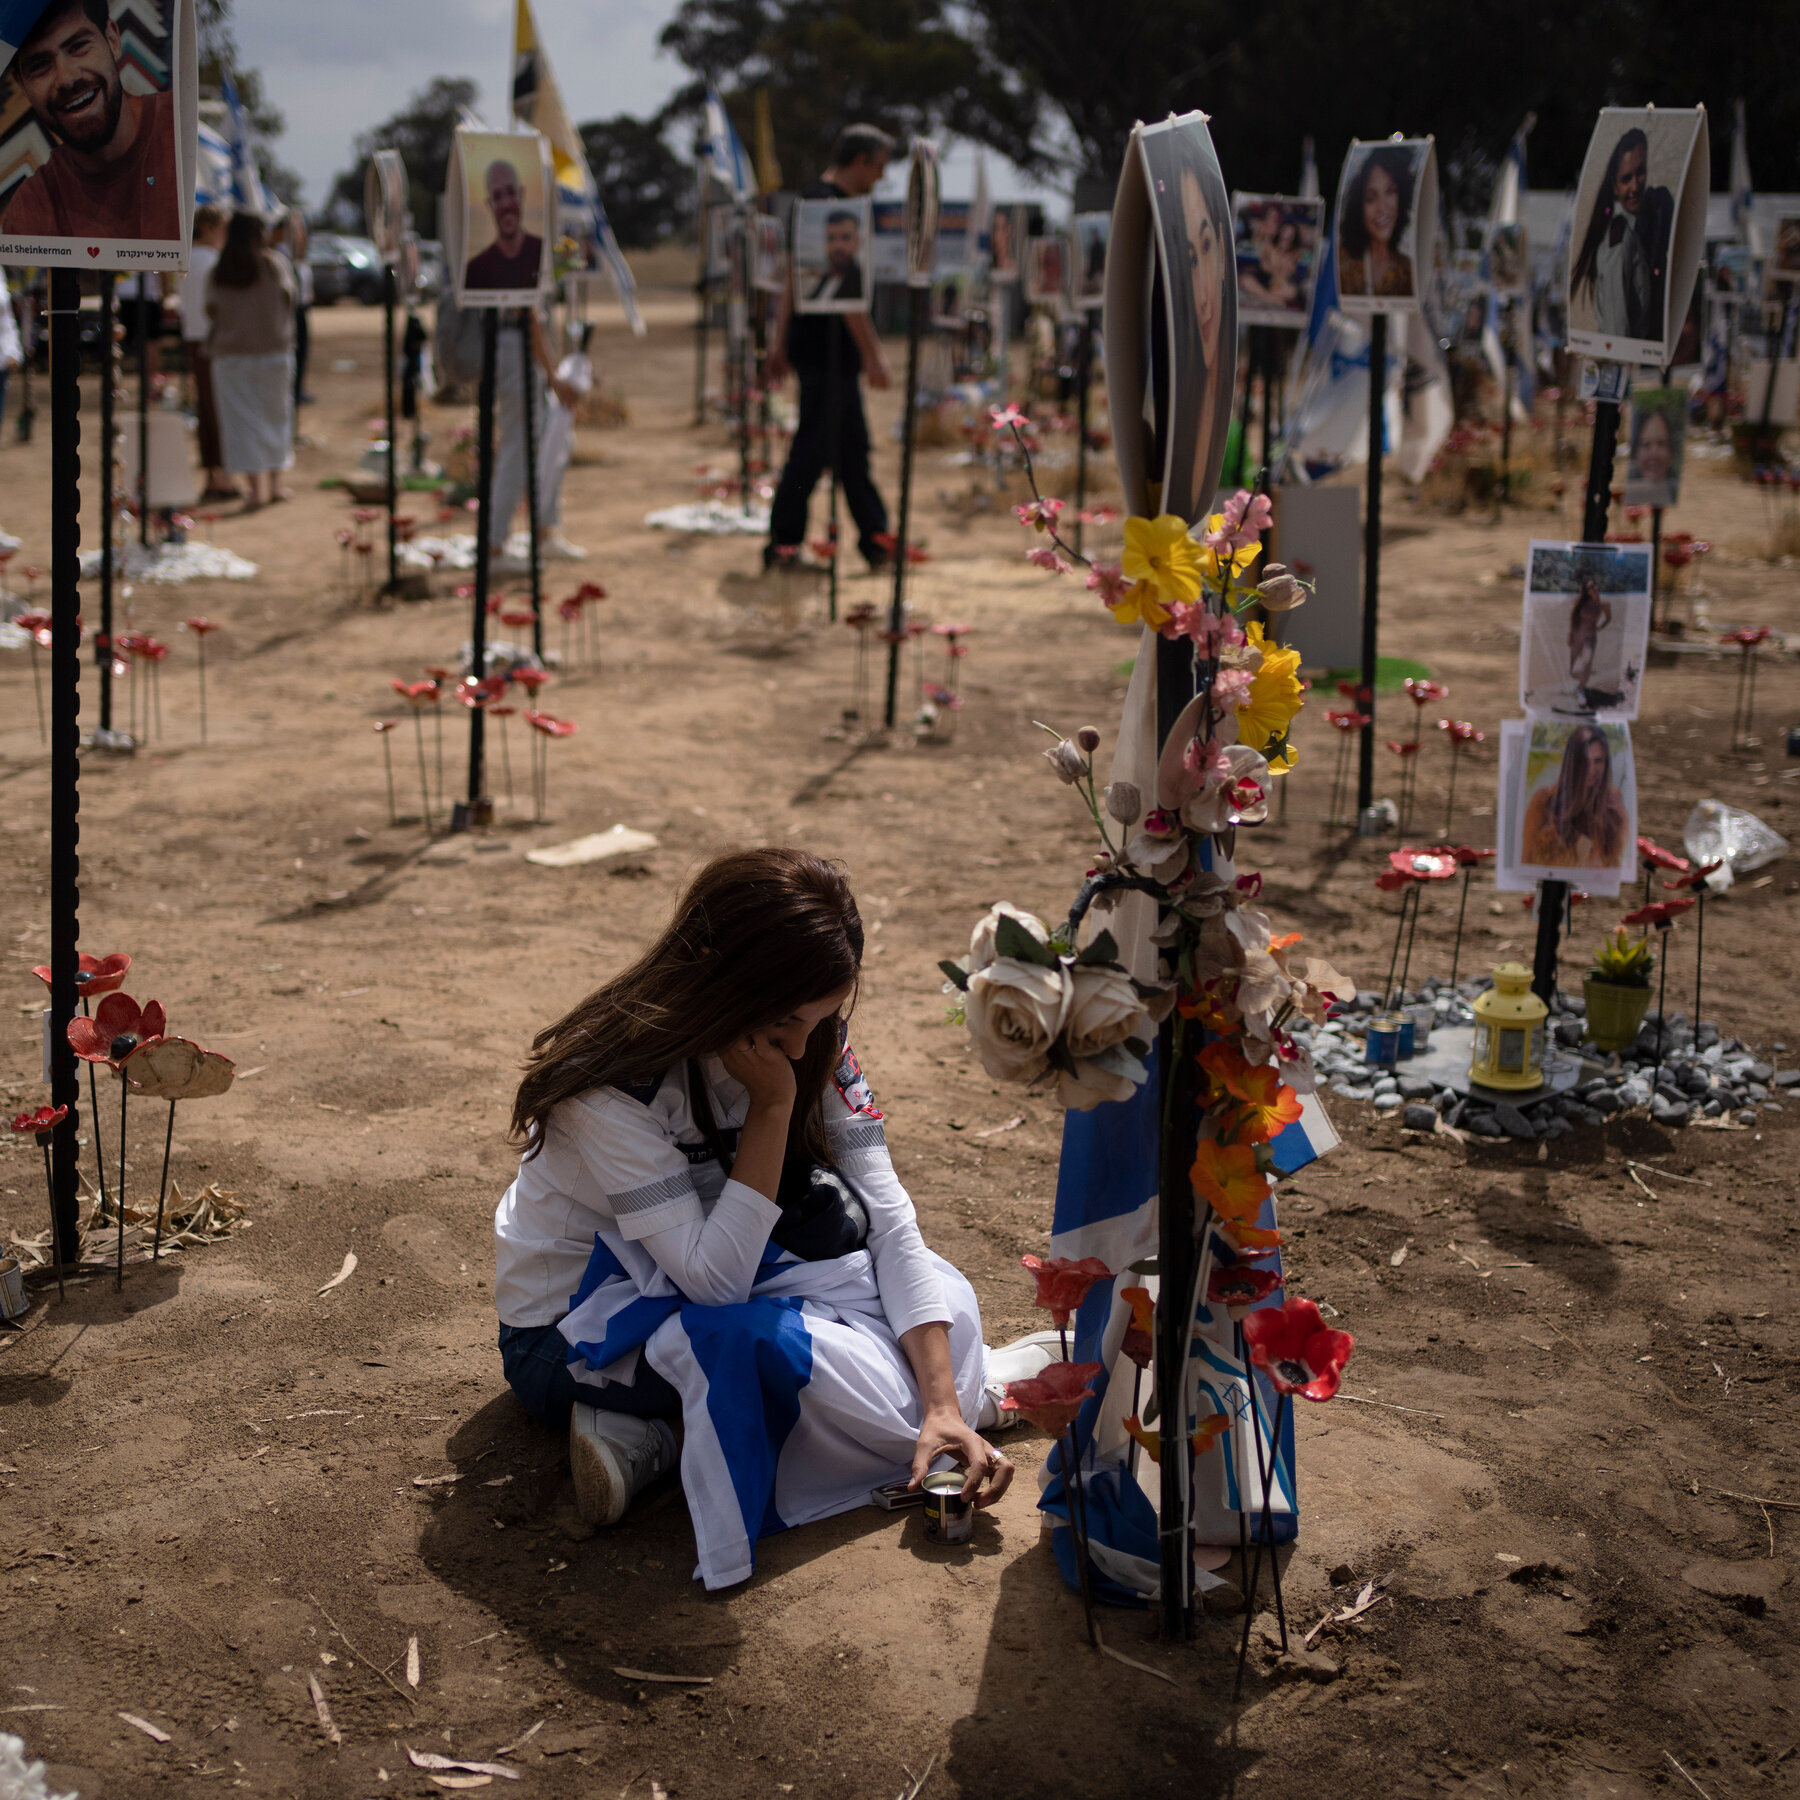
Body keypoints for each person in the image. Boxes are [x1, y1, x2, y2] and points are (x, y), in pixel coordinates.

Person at [493, 847, 1056, 1583]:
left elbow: (890, 1222)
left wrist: (940, 1401)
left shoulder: (814, 1041)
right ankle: (987, 1394)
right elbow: (715, 1287)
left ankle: (668, 1438)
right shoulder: (610, 1088)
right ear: (715, 977)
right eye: (786, 1020)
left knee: (940, 1290)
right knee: (759, 1350)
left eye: (821, 1020)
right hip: (575, 1334)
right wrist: (772, 1106)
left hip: (720, 1277)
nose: (800, 1046)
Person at [765, 124, 896, 572]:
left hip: (819, 348)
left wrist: (779, 341)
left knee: (851, 450)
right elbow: (844, 294)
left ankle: (877, 541)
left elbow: (791, 279)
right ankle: (783, 545)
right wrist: (873, 354)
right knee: (812, 453)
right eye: (879, 167)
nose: (880, 177)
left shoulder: (809, 201)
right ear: (860, 160)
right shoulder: (831, 206)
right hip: (826, 351)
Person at [1, 0, 179, 241]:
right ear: (21, 84)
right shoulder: (32, 210)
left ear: (112, 40)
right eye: (39, 65)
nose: (67, 78)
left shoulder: (182, 137)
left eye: (78, 47)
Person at [1148, 119, 1236, 525]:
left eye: (1205, 246)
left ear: (1223, 250)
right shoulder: (1178, 409)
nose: (1202, 296)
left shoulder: (1217, 403)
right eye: (1187, 260)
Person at [206, 210, 296, 510]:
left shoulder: (220, 269)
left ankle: (255, 489)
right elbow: (291, 300)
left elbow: (210, 309)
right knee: (277, 415)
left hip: (231, 354)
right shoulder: (274, 264)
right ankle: (276, 484)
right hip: (274, 351)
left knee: (241, 423)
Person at [490, 303, 581, 572]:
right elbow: (528, 313)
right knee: (518, 452)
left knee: (556, 442)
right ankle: (494, 545)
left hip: (521, 354)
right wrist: (553, 377)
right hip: (517, 353)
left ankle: (543, 532)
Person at [1571, 127, 1673, 344]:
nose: (1635, 186)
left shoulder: (1639, 230)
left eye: (1640, 172)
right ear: (1615, 187)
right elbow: (1616, 332)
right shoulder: (1619, 237)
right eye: (1626, 179)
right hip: (1625, 357)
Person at [178, 204, 234, 501]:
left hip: (194, 340)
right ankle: (221, 476)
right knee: (219, 409)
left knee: (206, 408)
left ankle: (214, 473)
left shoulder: (185, 260)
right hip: (215, 341)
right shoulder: (213, 261)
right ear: (210, 229)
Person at [1522, 724, 1629, 869]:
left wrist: (1623, 817)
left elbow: (1619, 860)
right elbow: (1525, 859)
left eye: (1598, 761)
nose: (1591, 770)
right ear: (1572, 762)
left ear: (1606, 762)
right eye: (1584, 761)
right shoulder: (1545, 800)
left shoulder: (1612, 800)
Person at [1338, 146, 1416, 300]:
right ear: (1359, 206)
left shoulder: (1407, 270)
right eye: (1371, 198)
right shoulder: (1342, 261)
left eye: (1390, 192)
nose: (1382, 208)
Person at [465, 159, 543, 292]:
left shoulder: (543, 255)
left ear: (521, 194)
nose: (506, 204)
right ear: (489, 204)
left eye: (511, 192)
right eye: (497, 196)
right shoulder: (475, 271)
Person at [1567, 575, 1613, 690]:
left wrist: (1600, 627)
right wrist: (1570, 634)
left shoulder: (1604, 604)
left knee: (1585, 663)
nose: (1593, 588)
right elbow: (1572, 617)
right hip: (1577, 637)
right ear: (1587, 591)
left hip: (1590, 637)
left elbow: (1608, 618)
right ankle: (1585, 677)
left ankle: (1581, 688)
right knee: (1572, 672)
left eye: (1594, 585)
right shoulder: (1580, 601)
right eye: (1589, 588)